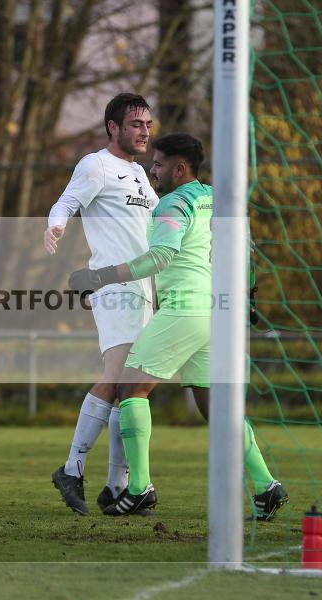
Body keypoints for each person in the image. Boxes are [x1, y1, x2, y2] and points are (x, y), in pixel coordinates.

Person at [68, 133, 288, 519]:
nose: (153, 171)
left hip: (185, 308)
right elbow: (246, 247)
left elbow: (161, 257)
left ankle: (139, 489)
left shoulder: (174, 202)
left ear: (179, 168)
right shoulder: (217, 197)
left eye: (159, 164)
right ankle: (267, 486)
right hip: (219, 313)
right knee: (217, 408)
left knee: (130, 387)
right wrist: (250, 295)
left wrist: (99, 277)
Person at [44, 93, 160, 514]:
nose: (144, 131)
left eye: (148, 124)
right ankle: (72, 469)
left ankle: (117, 485)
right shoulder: (96, 165)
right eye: (136, 124)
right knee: (117, 380)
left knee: (132, 389)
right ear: (113, 126)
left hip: (143, 291)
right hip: (115, 288)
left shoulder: (140, 175)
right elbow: (66, 202)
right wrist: (55, 226)